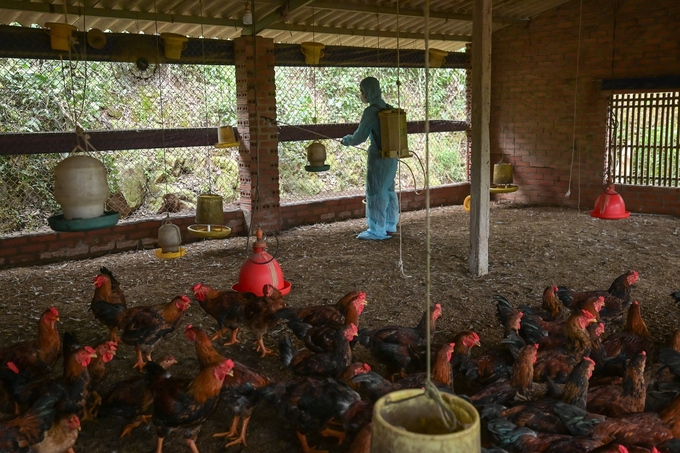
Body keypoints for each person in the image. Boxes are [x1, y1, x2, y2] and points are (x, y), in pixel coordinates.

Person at [341, 77, 399, 240]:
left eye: (362, 91)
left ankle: (376, 229)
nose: (362, 94)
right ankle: (390, 225)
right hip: (391, 155)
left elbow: (360, 136)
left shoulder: (371, 111)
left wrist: (347, 140)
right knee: (388, 190)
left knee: (375, 192)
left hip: (378, 158)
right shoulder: (388, 108)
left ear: (368, 91)